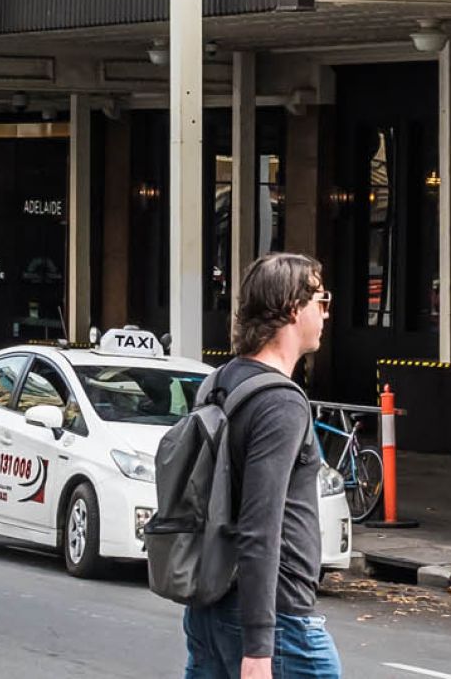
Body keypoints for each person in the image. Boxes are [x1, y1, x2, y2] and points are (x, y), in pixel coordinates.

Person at [182, 251, 338, 679]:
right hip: (279, 618)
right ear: (293, 308)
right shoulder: (281, 403)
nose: (326, 313)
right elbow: (260, 525)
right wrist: (258, 646)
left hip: (209, 604)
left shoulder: (220, 382)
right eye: (321, 301)